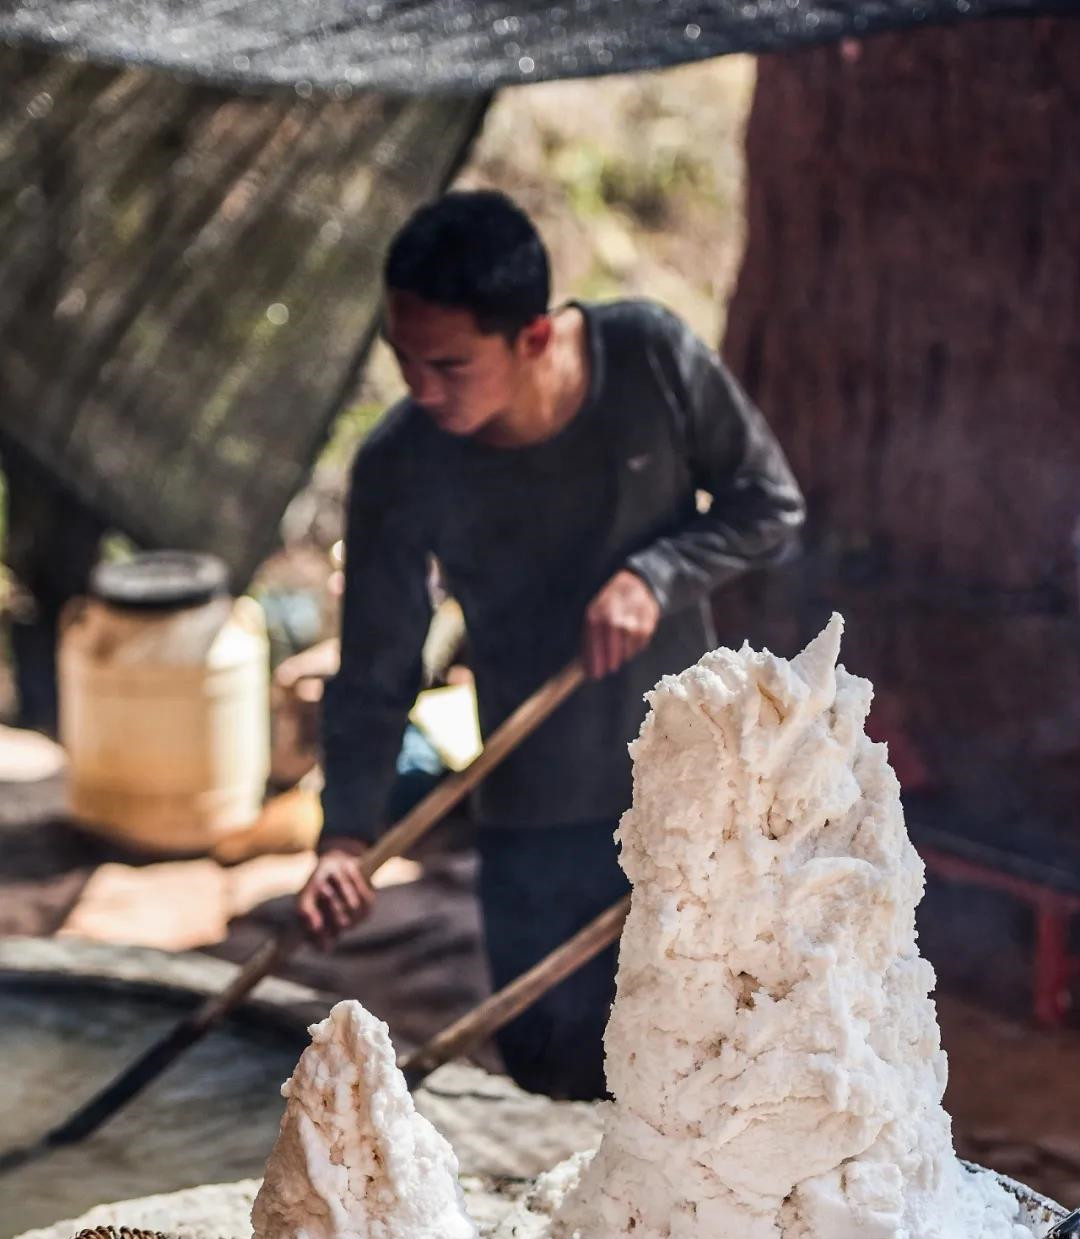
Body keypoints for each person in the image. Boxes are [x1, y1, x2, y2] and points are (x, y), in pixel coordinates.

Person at [298, 189, 804, 1098]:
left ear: (533, 337)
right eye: (403, 359)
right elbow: (375, 663)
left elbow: (767, 504)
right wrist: (345, 834)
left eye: (448, 365)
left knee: (704, 1055)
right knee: (550, 1064)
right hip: (529, 797)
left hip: (685, 782)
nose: (420, 389)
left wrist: (657, 574)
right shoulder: (401, 462)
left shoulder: (648, 355)